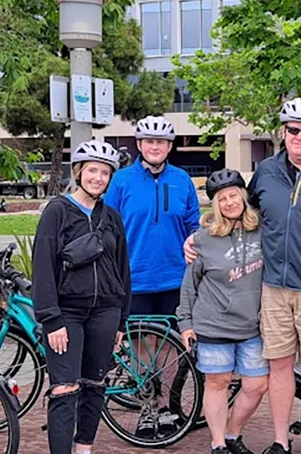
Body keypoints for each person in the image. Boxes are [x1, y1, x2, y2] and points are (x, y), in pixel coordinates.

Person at [185, 97, 301, 454]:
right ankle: (281, 440)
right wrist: (200, 237)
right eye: (292, 129)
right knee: (278, 367)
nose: (299, 136)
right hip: (272, 288)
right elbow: (243, 219)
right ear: (283, 131)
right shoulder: (265, 171)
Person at [104, 115, 201, 436]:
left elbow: (194, 225)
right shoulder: (121, 181)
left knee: (171, 346)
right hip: (134, 278)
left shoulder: (182, 180)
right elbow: (106, 227)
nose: (155, 146)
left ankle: (168, 408)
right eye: (149, 141)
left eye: (161, 142)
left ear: (170, 146)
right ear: (139, 145)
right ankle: (148, 408)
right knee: (143, 346)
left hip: (175, 278)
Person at [32, 140, 131, 454]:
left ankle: (84, 447)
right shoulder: (57, 212)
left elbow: (122, 269)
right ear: (79, 172)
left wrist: (121, 321)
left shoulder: (111, 217)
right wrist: (51, 319)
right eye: (92, 170)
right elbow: (43, 266)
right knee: (64, 389)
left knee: (94, 384)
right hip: (67, 314)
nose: (98, 178)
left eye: (105, 173)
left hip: (105, 312)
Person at [177, 169, 268, 454]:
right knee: (218, 382)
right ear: (215, 205)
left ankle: (232, 433)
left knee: (257, 385)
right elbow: (189, 285)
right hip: (213, 324)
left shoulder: (263, 230)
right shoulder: (203, 240)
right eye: (221, 199)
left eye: (233, 196)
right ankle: (218, 444)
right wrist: (185, 323)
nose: (229, 203)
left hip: (252, 325)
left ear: (243, 198)